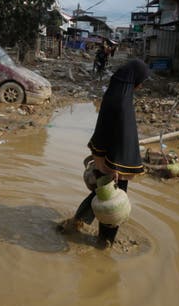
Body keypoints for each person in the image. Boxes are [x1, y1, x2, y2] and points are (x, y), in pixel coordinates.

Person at [60, 59, 150, 247]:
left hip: (105, 157)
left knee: (100, 194)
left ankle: (75, 223)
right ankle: (105, 241)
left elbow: (107, 130)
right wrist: (115, 168)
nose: (141, 85)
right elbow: (121, 136)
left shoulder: (115, 93)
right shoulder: (123, 102)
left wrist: (99, 157)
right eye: (141, 81)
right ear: (134, 80)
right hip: (114, 164)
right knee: (112, 202)